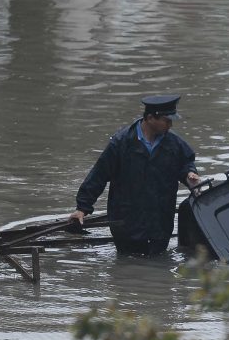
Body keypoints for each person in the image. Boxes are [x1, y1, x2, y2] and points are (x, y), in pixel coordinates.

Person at [70, 94, 202, 255]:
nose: (170, 125)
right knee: (127, 263)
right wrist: (82, 208)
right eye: (167, 120)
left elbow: (185, 164)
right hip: (126, 221)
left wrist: (190, 174)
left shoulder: (175, 144)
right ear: (151, 118)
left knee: (157, 266)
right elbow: (99, 175)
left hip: (159, 221)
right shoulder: (121, 143)